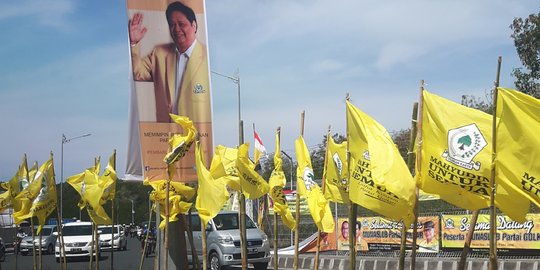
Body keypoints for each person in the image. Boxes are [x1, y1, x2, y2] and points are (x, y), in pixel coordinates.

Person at [128, 1, 211, 123]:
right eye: (172, 24)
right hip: (164, 134)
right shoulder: (159, 53)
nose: (176, 29)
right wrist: (133, 43)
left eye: (181, 24)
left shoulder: (206, 57)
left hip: (194, 134)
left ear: (194, 25)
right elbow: (137, 73)